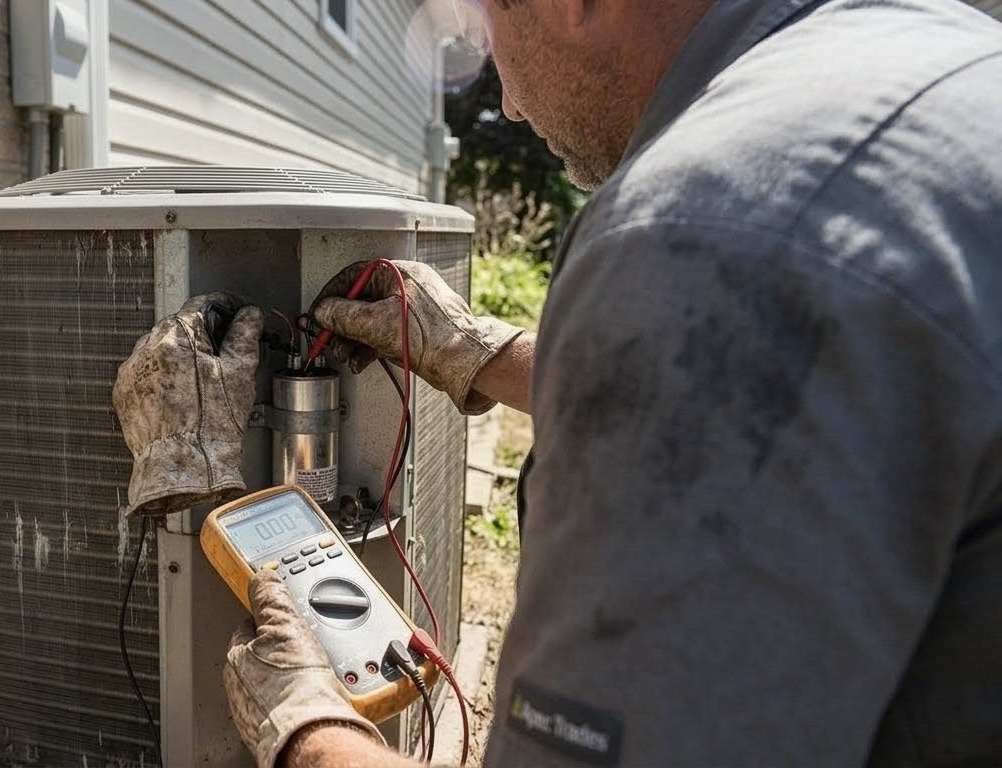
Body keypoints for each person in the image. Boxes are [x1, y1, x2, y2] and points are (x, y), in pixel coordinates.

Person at [113, 0, 1002, 764]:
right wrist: (486, 353)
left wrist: (308, 728)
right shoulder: (937, 70)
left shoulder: (708, 232)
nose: (503, 96)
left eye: (491, 20)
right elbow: (819, 390)